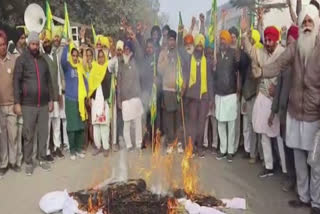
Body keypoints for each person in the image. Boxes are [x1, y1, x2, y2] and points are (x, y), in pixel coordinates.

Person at [258, 5, 320, 213]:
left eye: (310, 21)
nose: (307, 26)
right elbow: (279, 64)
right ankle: (303, 197)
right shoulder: (294, 48)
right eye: (304, 22)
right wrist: (262, 71)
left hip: (314, 115)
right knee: (299, 158)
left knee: (316, 162)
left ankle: (316, 202)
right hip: (295, 113)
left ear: (316, 23)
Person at [242, 24, 287, 178]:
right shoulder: (261, 51)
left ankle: (286, 168)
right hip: (263, 95)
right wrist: (244, 33)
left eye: (270, 41)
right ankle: (269, 166)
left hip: (277, 98)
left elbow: (287, 74)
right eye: (266, 40)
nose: (267, 43)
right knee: (263, 132)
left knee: (279, 136)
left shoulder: (283, 53)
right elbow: (250, 51)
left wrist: (277, 87)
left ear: (276, 40)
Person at [13, 31, 53, 175]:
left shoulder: (43, 61)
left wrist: (50, 100)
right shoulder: (21, 60)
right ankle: (28, 162)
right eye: (33, 44)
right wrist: (17, 102)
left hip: (42, 105)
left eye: (37, 44)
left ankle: (42, 158)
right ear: (29, 44)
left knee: (43, 133)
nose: (35, 46)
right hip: (27, 105)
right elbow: (16, 82)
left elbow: (48, 81)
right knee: (28, 135)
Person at [268, 25, 299, 192]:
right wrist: (273, 112)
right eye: (288, 44)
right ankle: (290, 178)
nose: (290, 47)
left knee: (299, 151)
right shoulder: (285, 66)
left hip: (299, 114)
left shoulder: (303, 64)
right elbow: (278, 89)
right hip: (284, 114)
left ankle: (302, 185)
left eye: (293, 43)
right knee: (287, 147)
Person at [184, 34, 214, 158]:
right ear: (195, 46)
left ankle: (200, 147)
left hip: (204, 97)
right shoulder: (188, 60)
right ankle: (192, 147)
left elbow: (210, 81)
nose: (199, 48)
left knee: (201, 123)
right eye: (198, 45)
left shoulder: (206, 62)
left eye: (201, 46)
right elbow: (185, 77)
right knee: (192, 123)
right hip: (191, 97)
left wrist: (211, 98)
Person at [158, 30, 185, 154]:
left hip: (178, 90)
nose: (171, 42)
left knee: (178, 118)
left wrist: (183, 87)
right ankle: (170, 142)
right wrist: (167, 59)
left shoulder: (179, 54)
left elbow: (184, 70)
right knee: (169, 118)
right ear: (167, 41)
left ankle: (178, 142)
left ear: (175, 41)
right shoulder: (163, 54)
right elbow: (160, 70)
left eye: (173, 40)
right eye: (169, 40)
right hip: (167, 90)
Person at [214, 30, 239, 162]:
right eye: (221, 39)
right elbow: (214, 76)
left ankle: (230, 151)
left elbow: (240, 68)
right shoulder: (216, 56)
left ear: (229, 41)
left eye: (224, 39)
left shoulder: (234, 54)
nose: (222, 41)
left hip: (230, 94)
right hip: (219, 94)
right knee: (220, 123)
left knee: (231, 123)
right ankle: (223, 150)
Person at [0, 30, 21, 178]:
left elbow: (17, 83)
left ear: (6, 45)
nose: (1, 47)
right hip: (0, 107)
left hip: (12, 104)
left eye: (3, 45)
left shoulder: (13, 60)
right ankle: (4, 163)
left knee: (13, 135)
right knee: (2, 137)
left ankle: (14, 162)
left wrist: (17, 102)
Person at [61, 44, 88, 160]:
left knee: (80, 126)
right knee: (72, 127)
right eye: (73, 56)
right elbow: (62, 60)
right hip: (70, 100)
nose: (75, 58)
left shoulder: (80, 67)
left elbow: (85, 82)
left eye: (77, 56)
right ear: (70, 56)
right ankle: (72, 150)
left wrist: (86, 94)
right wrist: (66, 46)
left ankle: (78, 148)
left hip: (80, 101)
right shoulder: (67, 66)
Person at [117, 41, 143, 151]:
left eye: (128, 49)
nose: (126, 51)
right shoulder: (120, 63)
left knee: (137, 122)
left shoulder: (135, 61)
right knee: (126, 123)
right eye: (125, 49)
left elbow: (140, 53)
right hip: (125, 98)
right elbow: (118, 82)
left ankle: (138, 144)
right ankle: (129, 145)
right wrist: (119, 99)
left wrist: (135, 39)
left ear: (131, 50)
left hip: (135, 96)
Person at [42, 31, 64, 160]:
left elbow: (57, 77)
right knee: (47, 124)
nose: (47, 44)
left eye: (48, 42)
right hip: (47, 98)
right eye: (44, 42)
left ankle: (56, 147)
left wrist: (60, 93)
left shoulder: (55, 56)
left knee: (57, 122)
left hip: (56, 95)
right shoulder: (41, 57)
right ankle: (46, 151)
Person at [240, 29, 261, 163]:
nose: (249, 40)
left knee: (254, 126)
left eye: (251, 38)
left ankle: (254, 154)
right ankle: (249, 151)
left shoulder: (258, 53)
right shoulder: (245, 56)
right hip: (246, 93)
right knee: (246, 126)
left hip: (255, 94)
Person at [88, 50, 111, 157]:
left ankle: (106, 147)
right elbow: (91, 85)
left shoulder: (107, 68)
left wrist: (109, 100)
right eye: (99, 57)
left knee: (104, 125)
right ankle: (98, 146)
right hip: (95, 100)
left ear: (105, 58)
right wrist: (89, 98)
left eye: (102, 57)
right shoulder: (94, 69)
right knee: (96, 124)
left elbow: (112, 85)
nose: (101, 59)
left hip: (104, 100)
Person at [52, 26, 69, 152]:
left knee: (64, 118)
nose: (56, 38)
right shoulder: (50, 51)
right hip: (53, 89)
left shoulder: (64, 51)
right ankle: (56, 144)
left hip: (63, 87)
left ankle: (66, 143)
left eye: (58, 36)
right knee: (55, 118)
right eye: (55, 36)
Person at [228, 26, 242, 154]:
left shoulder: (239, 52)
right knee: (227, 119)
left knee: (236, 120)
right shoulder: (225, 51)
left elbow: (239, 72)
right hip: (227, 90)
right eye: (230, 37)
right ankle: (228, 145)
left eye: (234, 37)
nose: (232, 39)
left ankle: (235, 146)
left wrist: (239, 87)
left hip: (237, 89)